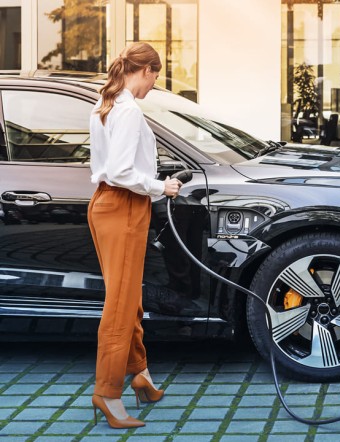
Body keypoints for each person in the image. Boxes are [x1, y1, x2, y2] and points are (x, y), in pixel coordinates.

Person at [87, 42, 182, 429]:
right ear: (144, 71)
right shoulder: (125, 110)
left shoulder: (104, 104)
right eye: (155, 76)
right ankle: (108, 393)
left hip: (108, 206)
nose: (154, 84)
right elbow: (122, 171)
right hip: (123, 205)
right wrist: (163, 187)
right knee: (120, 307)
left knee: (129, 299)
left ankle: (139, 373)